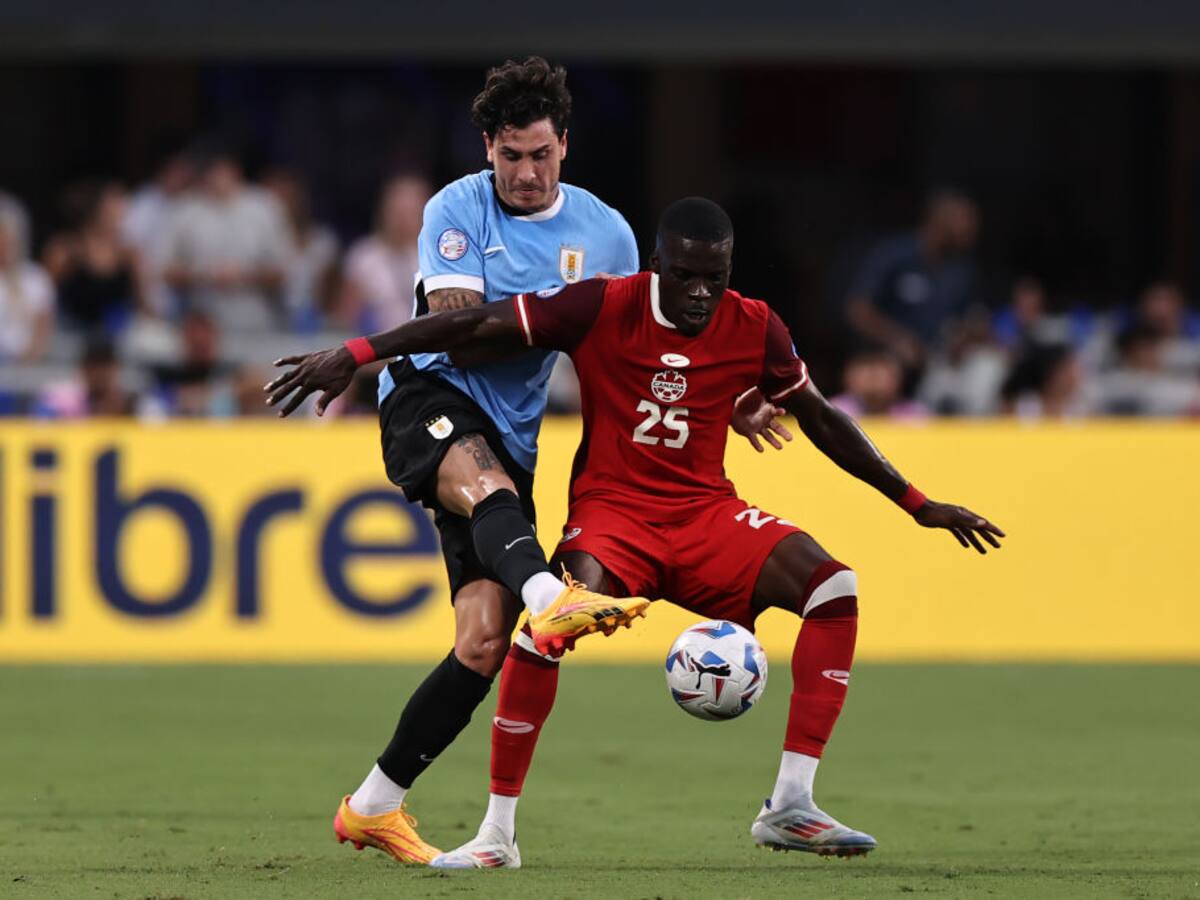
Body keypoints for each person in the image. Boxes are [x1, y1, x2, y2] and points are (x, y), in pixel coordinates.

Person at [266, 197, 1005, 866]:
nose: (700, 293)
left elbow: (821, 418)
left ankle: (791, 804)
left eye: (714, 278)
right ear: (655, 266)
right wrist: (358, 354)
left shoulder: (756, 325)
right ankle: (496, 834)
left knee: (834, 587)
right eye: (685, 276)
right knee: (544, 625)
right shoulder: (603, 304)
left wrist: (917, 503)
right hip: (613, 517)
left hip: (705, 514)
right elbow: (473, 323)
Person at [265, 58, 783, 868]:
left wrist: (728, 398)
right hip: (429, 396)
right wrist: (368, 354)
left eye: (540, 155)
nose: (527, 173)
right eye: (511, 156)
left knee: (481, 644)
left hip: (514, 433)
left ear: (564, 146)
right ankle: (550, 594)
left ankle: (371, 806)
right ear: (489, 150)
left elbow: (646, 343)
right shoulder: (455, 210)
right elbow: (463, 332)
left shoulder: (608, 235)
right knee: (488, 490)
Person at [845, 189, 980, 371]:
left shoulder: (961, 271)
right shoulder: (895, 254)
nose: (971, 228)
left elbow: (964, 320)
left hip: (938, 361)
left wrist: (967, 336)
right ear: (940, 221)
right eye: (964, 220)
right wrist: (896, 339)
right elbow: (858, 311)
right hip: (884, 357)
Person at [161, 145, 289, 333]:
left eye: (222, 171)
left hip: (255, 322)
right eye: (211, 172)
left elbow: (282, 271)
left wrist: (244, 276)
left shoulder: (264, 206)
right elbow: (166, 272)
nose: (217, 178)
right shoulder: (185, 209)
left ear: (235, 170)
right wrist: (205, 275)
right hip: (202, 326)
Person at [43, 180, 149, 333]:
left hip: (117, 333)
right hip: (70, 331)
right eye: (114, 208)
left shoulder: (129, 254)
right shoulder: (64, 250)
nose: (121, 214)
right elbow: (43, 297)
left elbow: (142, 302)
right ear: (95, 211)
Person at [335, 174, 431, 333]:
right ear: (383, 212)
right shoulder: (364, 255)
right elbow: (346, 318)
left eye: (410, 212)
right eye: (397, 212)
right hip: (379, 342)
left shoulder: (435, 256)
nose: (402, 221)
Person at [0, 196, 55, 363]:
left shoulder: (36, 278)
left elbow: (43, 324)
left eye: (9, 240)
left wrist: (29, 358)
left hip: (27, 363)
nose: (5, 246)